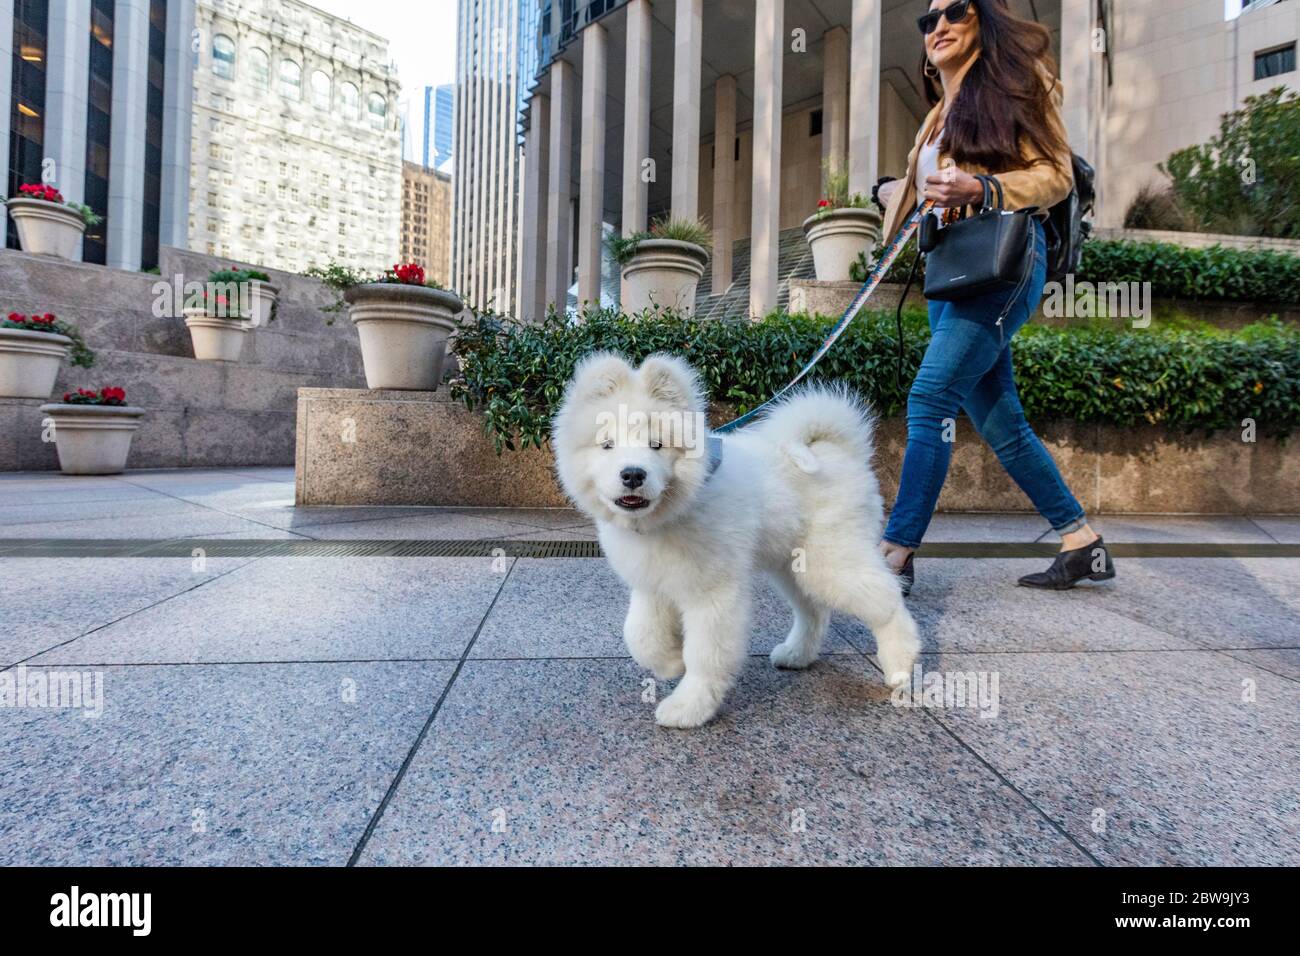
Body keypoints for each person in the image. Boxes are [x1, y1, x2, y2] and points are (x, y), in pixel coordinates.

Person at [875, 0, 1115, 594]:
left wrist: (983, 187)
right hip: (950, 270)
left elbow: (1055, 173)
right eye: (928, 21)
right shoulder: (934, 117)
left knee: (930, 398)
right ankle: (1081, 541)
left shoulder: (1018, 83)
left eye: (955, 10)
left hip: (1005, 262)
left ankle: (894, 555)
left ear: (983, 17)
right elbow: (927, 189)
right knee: (1000, 420)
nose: (939, 26)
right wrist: (893, 192)